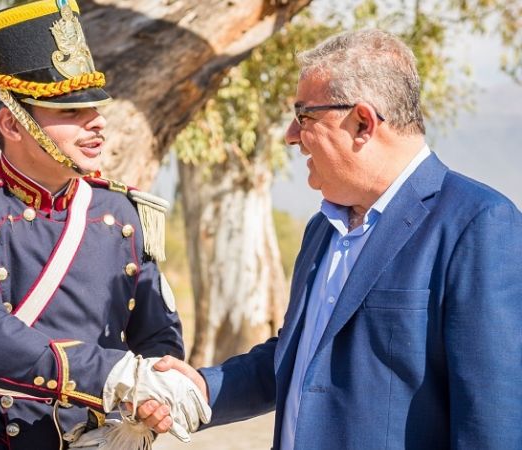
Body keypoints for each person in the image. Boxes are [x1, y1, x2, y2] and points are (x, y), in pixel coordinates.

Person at [148, 28, 522, 449]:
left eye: (304, 115)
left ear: (362, 122)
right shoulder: (323, 228)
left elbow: (493, 422)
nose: (290, 135)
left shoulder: (478, 223)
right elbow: (302, 355)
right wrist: (204, 386)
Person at [0, 0, 209, 448]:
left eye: (96, 108)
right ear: (12, 122)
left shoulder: (123, 213)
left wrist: (149, 399)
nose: (98, 122)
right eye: (70, 112)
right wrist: (116, 376)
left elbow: (157, 333)